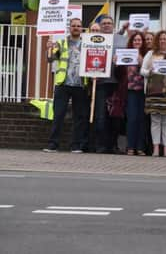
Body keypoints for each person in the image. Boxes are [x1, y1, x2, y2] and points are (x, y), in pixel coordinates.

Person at [43, 18, 89, 153]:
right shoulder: (61, 43)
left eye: (78, 26)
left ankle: (75, 145)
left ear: (82, 28)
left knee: (79, 117)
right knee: (58, 115)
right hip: (63, 83)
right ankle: (53, 144)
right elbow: (50, 59)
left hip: (80, 84)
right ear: (70, 28)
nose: (76, 28)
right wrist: (49, 49)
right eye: (73, 26)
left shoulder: (87, 44)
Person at [93, 14, 127, 153]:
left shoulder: (122, 39)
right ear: (100, 26)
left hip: (117, 83)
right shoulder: (93, 40)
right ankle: (101, 145)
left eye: (109, 23)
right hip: (100, 83)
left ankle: (113, 145)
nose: (107, 25)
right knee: (101, 116)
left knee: (116, 116)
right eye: (104, 23)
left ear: (113, 26)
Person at [141, 30, 166, 157]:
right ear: (157, 40)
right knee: (155, 121)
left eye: (165, 39)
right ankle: (156, 148)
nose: (163, 41)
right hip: (153, 92)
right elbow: (142, 71)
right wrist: (149, 71)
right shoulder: (150, 54)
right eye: (161, 39)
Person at [117, 31, 148, 156]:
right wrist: (117, 63)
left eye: (139, 40)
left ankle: (140, 147)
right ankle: (130, 147)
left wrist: (142, 62)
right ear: (131, 42)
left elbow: (150, 71)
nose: (137, 42)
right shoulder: (126, 53)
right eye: (135, 40)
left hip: (143, 91)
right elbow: (118, 74)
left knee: (142, 119)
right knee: (131, 119)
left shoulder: (146, 54)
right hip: (130, 91)